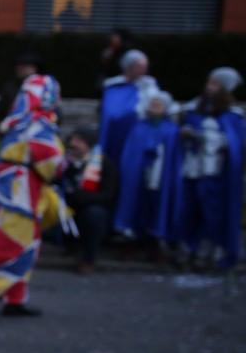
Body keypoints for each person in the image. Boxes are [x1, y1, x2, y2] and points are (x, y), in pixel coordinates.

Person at [0, 74, 66, 317]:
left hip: (16, 190)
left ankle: (15, 299)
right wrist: (63, 165)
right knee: (11, 245)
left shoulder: (23, 121)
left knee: (22, 243)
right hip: (19, 194)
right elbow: (50, 158)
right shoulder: (36, 123)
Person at [172, 68, 245, 271]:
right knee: (188, 209)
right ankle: (186, 248)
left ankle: (205, 251)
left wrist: (206, 138)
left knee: (212, 213)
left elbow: (235, 143)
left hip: (215, 173)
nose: (209, 87)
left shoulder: (232, 115)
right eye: (209, 82)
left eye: (214, 84)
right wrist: (185, 133)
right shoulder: (195, 109)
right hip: (192, 169)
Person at [113, 91, 179, 259]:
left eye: (158, 105)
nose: (153, 107)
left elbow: (173, 154)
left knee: (157, 204)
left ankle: (154, 241)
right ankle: (132, 241)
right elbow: (131, 152)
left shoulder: (171, 129)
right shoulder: (139, 127)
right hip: (138, 173)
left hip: (159, 174)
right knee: (134, 203)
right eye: (152, 104)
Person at [59, 128, 118, 274]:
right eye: (72, 140)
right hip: (67, 206)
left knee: (94, 215)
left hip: (90, 208)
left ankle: (88, 259)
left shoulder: (104, 164)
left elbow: (107, 195)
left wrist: (78, 195)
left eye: (78, 141)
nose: (72, 144)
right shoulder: (66, 162)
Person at [98, 48, 160, 170]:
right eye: (140, 67)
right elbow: (108, 114)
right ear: (129, 67)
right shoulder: (112, 87)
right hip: (113, 137)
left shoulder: (148, 87)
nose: (144, 71)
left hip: (136, 137)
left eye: (145, 67)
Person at [0, 51, 40, 135]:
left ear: (33, 68)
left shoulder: (43, 87)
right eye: (18, 65)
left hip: (37, 133)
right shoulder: (10, 87)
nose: (19, 68)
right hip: (13, 135)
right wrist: (2, 132)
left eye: (23, 65)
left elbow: (52, 110)